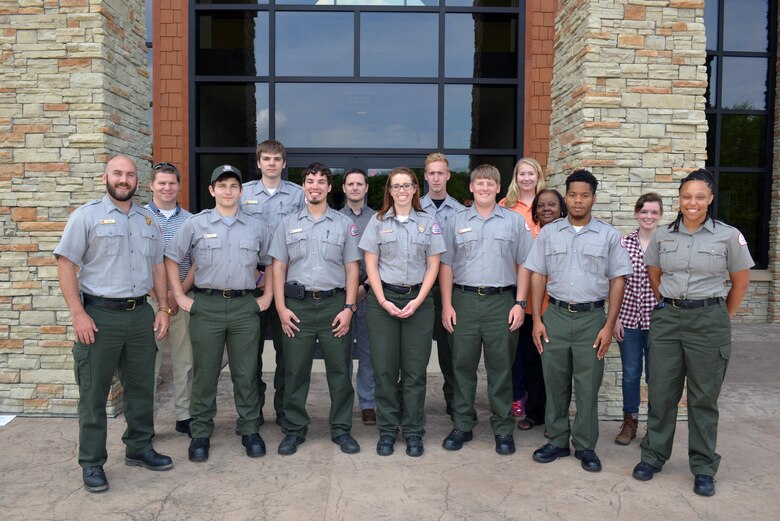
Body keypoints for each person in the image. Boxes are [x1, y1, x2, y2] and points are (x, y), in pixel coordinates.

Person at [55, 155, 173, 493]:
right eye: (118, 174)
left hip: (139, 315)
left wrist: (163, 307)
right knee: (93, 393)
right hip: (99, 317)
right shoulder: (86, 216)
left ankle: (139, 448)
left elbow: (156, 269)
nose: (124, 179)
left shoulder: (148, 220)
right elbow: (65, 264)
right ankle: (92, 462)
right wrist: (78, 314)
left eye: (130, 175)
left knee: (140, 389)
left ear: (138, 181)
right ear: (105, 177)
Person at [632, 169, 753, 497]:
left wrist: (719, 316)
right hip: (668, 320)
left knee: (703, 397)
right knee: (661, 392)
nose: (693, 202)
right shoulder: (663, 235)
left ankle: (702, 466)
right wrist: (669, 304)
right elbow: (653, 272)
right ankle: (654, 456)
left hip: (708, 321)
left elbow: (740, 282)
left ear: (710, 199)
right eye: (687, 196)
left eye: (700, 196)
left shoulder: (728, 236)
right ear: (680, 199)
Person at [526, 169, 632, 473]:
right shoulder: (549, 232)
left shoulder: (608, 235)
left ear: (593, 198)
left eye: (584, 195)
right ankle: (557, 441)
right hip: (555, 317)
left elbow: (618, 281)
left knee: (587, 386)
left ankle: (585, 446)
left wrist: (609, 325)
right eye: (572, 194)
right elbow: (537, 275)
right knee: (555, 382)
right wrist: (537, 320)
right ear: (566, 197)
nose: (578, 200)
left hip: (591, 319)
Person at [166, 165, 274, 462]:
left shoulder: (256, 227)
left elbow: (272, 263)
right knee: (205, 372)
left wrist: (268, 296)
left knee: (246, 372)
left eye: (234, 186)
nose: (228, 191)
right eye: (222, 185)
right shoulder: (195, 224)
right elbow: (172, 258)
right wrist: (178, 295)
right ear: (212, 190)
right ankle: (201, 432)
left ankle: (250, 429)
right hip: (208, 306)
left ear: (241, 191)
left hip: (244, 306)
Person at [439, 164, 534, 455]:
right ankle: (463, 424)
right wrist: (446, 304)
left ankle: (503, 428)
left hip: (501, 302)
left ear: (498, 187)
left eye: (489, 183)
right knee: (462, 367)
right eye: (479, 183)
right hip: (464, 301)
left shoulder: (514, 222)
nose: (484, 187)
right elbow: (446, 265)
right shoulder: (455, 221)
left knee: (501, 368)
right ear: (471, 187)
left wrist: (520, 303)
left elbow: (527, 265)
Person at [269, 162, 362, 456]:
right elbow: (278, 266)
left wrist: (349, 307)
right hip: (298, 307)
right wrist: (281, 308)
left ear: (329, 187)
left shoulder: (344, 224)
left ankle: (341, 429)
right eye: (310, 181)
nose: (315, 186)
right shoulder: (287, 223)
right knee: (295, 371)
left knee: (339, 370)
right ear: (303, 186)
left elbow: (351, 268)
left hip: (335, 305)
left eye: (321, 181)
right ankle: (294, 429)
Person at [359, 167, 445, 457]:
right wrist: (383, 301)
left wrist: (418, 300)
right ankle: (386, 430)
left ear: (415, 189)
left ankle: (413, 432)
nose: (402, 191)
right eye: (396, 186)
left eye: (406, 185)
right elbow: (370, 265)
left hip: (418, 302)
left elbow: (434, 265)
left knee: (414, 372)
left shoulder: (428, 222)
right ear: (389, 191)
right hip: (382, 301)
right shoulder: (377, 221)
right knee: (384, 370)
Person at [241, 139, 305, 427]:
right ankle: (253, 411)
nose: (271, 163)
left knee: (286, 351)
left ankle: (283, 409)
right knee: (249, 353)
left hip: (286, 281)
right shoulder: (242, 194)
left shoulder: (298, 195)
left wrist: (276, 275)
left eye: (276, 159)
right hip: (250, 280)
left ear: (283, 163)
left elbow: (304, 236)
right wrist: (258, 274)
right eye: (265, 158)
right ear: (258, 163)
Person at [144, 161, 195, 438]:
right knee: (147, 363)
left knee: (184, 361)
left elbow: (197, 262)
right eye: (161, 183)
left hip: (182, 299)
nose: (167, 188)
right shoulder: (138, 217)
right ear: (151, 185)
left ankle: (184, 414)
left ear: (179, 186)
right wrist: (160, 296)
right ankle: (146, 420)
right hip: (148, 301)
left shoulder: (190, 220)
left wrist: (177, 294)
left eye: (172, 183)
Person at [613, 193, 663, 445]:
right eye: (644, 211)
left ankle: (654, 428)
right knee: (631, 373)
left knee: (656, 376)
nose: (649, 216)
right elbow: (614, 282)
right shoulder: (624, 243)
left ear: (660, 215)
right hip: (629, 321)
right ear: (636, 213)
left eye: (654, 212)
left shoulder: (667, 242)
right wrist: (615, 318)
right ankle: (630, 422)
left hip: (659, 324)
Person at [515, 188, 567, 433]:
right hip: (530, 312)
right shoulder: (530, 235)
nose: (546, 209)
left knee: (556, 368)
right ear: (534, 210)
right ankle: (535, 413)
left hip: (558, 312)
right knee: (531, 364)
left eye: (552, 205)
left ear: (561, 208)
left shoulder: (569, 234)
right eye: (541, 205)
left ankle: (555, 417)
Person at [499, 157, 547, 419]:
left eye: (531, 173)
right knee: (515, 350)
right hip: (514, 290)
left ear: (538, 176)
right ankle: (517, 396)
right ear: (515, 178)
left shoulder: (549, 204)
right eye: (522, 174)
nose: (526, 178)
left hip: (546, 292)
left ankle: (538, 405)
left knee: (538, 352)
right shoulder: (505, 207)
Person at [420, 153, 465, 416]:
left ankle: (453, 400)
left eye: (441, 173)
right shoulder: (414, 208)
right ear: (425, 176)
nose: (436, 178)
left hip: (451, 289)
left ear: (448, 175)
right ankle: (410, 400)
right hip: (421, 290)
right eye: (431, 173)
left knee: (451, 350)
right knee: (416, 349)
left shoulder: (461, 212)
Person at [339, 168, 377, 426]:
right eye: (350, 183)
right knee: (340, 353)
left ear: (366, 188)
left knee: (367, 351)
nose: (354, 188)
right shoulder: (332, 218)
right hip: (340, 296)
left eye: (359, 184)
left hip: (369, 293)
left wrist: (364, 285)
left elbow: (383, 257)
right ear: (343, 188)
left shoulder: (378, 219)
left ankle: (368, 404)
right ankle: (342, 403)